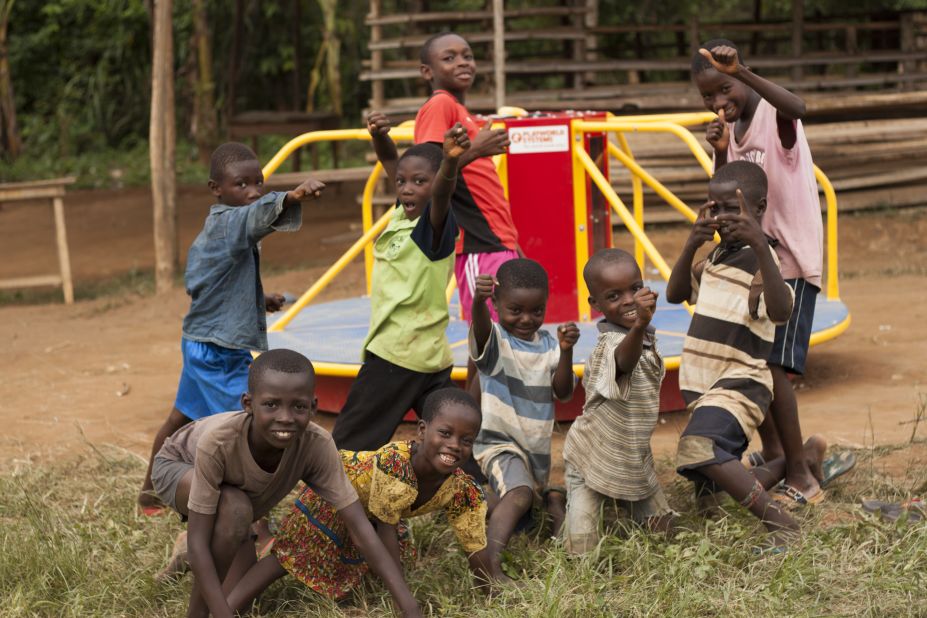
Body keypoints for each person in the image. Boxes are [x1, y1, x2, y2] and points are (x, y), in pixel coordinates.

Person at [149, 349, 422, 618]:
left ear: (313, 407)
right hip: (180, 466)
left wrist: (410, 608)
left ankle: (198, 548)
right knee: (233, 511)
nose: (285, 417)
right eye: (271, 404)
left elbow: (361, 530)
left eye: (298, 406)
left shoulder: (316, 445)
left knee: (239, 603)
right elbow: (200, 542)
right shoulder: (219, 443)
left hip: (239, 497)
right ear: (248, 404)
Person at [138, 142, 326, 513]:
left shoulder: (222, 228)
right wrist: (290, 196)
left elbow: (215, 283)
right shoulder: (229, 222)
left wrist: (259, 299)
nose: (253, 191)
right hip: (219, 352)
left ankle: (148, 493)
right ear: (216, 190)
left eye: (258, 182)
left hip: (201, 341)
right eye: (242, 185)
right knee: (251, 424)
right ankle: (254, 523)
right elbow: (256, 216)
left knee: (180, 416)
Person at [665, 161, 825, 548]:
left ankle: (780, 523)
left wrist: (758, 244)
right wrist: (691, 243)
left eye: (732, 208)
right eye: (715, 208)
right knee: (710, 491)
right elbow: (674, 294)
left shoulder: (762, 263)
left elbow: (782, 310)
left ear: (759, 209)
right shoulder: (716, 259)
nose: (722, 217)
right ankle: (798, 459)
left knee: (697, 447)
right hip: (705, 389)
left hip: (742, 384)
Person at [693, 39, 825, 506]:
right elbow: (727, 190)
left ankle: (800, 474)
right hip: (749, 264)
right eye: (707, 97)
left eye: (723, 89)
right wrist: (718, 151)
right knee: (756, 363)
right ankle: (787, 455)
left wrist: (744, 72)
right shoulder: (731, 128)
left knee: (773, 369)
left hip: (786, 262)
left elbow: (799, 105)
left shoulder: (773, 115)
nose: (717, 102)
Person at [227, 388, 489, 609]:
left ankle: (264, 535)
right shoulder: (395, 463)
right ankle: (227, 608)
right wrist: (406, 604)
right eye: (445, 433)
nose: (455, 445)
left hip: (371, 516)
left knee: (358, 582)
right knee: (288, 558)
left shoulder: (462, 489)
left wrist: (491, 584)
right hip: (331, 499)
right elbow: (386, 530)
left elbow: (474, 545)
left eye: (466, 440)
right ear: (422, 430)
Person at [331, 114, 469, 451]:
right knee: (448, 437)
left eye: (420, 182)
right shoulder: (403, 212)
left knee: (350, 441)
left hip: (397, 355)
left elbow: (441, 194)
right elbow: (391, 161)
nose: (408, 188)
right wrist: (378, 135)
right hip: (427, 355)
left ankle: (322, 500)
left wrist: (450, 161)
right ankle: (479, 492)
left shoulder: (432, 228)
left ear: (435, 185)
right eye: (402, 183)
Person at [467, 258, 579, 582]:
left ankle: (478, 501)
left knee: (527, 510)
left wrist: (567, 349)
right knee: (519, 494)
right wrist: (477, 303)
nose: (526, 319)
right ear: (497, 304)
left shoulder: (548, 345)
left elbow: (564, 392)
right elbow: (483, 329)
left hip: (535, 452)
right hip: (498, 443)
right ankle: (488, 565)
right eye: (515, 310)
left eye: (536, 311)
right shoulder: (496, 342)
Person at [561, 249, 674, 554]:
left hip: (630, 457)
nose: (628, 300)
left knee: (663, 534)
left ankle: (627, 502)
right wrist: (638, 326)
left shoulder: (646, 337)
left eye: (635, 288)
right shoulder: (610, 345)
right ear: (596, 305)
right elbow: (624, 362)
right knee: (581, 547)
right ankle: (560, 505)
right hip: (590, 457)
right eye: (614, 296)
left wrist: (641, 328)